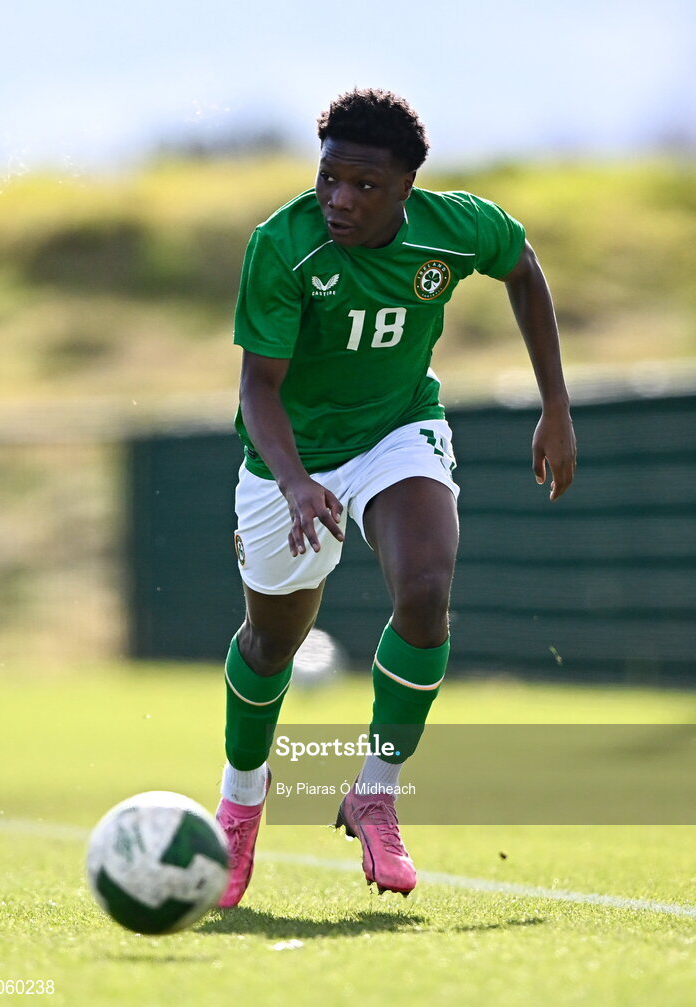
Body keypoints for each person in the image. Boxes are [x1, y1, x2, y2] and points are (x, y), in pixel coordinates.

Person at [215, 88, 576, 905]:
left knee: (423, 594)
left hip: (396, 431)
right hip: (289, 457)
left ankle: (375, 790)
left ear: (406, 186)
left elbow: (521, 268)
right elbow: (257, 387)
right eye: (328, 178)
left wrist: (554, 406)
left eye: (364, 185)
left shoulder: (458, 228)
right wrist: (297, 479)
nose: (340, 199)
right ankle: (240, 802)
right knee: (271, 645)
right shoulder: (282, 246)